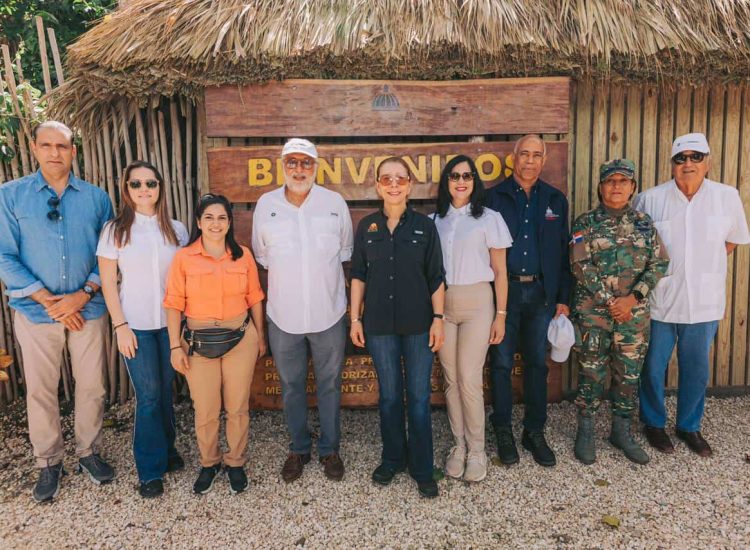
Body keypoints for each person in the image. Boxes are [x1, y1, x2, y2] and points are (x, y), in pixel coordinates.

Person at [0, 121, 115, 502]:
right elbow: (4, 255)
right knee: (41, 390)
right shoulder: (10, 196)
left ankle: (88, 451)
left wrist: (81, 296)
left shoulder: (97, 199)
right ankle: (48, 461)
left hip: (88, 308)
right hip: (36, 313)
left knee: (93, 385)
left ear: (73, 151)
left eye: (62, 146)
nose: (54, 153)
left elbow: (110, 254)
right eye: (47, 145)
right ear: (34, 148)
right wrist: (50, 301)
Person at [634, 133, 750, 457]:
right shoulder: (649, 199)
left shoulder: (726, 197)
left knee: (696, 369)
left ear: (708, 162)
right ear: (672, 164)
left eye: (696, 156)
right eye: (680, 158)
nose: (688, 163)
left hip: (704, 303)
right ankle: (654, 423)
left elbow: (731, 242)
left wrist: (702, 266)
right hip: (660, 303)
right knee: (653, 368)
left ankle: (689, 426)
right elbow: (639, 248)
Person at [252, 138, 352, 483]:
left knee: (330, 383)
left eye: (305, 162)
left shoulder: (334, 203)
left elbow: (344, 251)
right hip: (283, 316)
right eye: (292, 162)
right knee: (291, 385)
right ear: (282, 165)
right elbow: (262, 256)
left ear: (315, 166)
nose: (299, 169)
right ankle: (298, 447)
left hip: (329, 314)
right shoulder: (266, 205)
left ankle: (330, 449)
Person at [350, 156, 446, 498]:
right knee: (390, 397)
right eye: (386, 179)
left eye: (400, 179)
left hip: (420, 325)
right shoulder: (366, 227)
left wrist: (438, 319)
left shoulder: (425, 227)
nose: (393, 184)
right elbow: (358, 275)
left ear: (410, 185)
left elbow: (436, 276)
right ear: (377, 185)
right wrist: (355, 318)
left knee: (419, 398)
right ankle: (392, 458)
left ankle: (422, 467)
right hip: (378, 326)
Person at [97, 160, 189, 498]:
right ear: (126, 188)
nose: (144, 189)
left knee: (166, 391)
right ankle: (150, 469)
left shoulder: (176, 230)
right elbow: (108, 283)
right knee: (148, 395)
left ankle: (168, 450)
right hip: (134, 325)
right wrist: (120, 325)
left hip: (170, 326)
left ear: (160, 187)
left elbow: (184, 280)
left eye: (150, 183)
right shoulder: (114, 230)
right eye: (136, 184)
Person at [164, 194, 265, 495]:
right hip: (197, 341)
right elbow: (173, 304)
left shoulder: (242, 255)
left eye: (221, 217)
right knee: (205, 409)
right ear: (198, 222)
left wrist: (260, 336)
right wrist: (174, 346)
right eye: (208, 217)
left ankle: (236, 462)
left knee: (237, 407)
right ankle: (209, 462)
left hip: (240, 337)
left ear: (229, 222)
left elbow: (255, 297)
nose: (215, 223)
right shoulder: (184, 258)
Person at [570, 159, 669, 465]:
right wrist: (609, 300)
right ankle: (585, 431)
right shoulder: (584, 223)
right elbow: (579, 264)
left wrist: (632, 298)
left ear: (632, 188)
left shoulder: (644, 224)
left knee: (628, 375)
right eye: (610, 181)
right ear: (600, 187)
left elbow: (659, 264)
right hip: (594, 315)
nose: (616, 186)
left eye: (623, 181)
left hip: (632, 318)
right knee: (592, 373)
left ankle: (621, 431)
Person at [484, 134, 572, 467]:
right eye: (525, 154)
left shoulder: (555, 199)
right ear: (514, 157)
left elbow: (563, 250)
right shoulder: (493, 198)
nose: (530, 161)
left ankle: (534, 430)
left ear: (544, 160)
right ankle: (503, 428)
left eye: (537, 155)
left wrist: (563, 297)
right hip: (502, 294)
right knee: (502, 363)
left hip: (540, 294)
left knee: (537, 364)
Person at [432, 155, 512, 482]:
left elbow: (500, 272)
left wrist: (501, 315)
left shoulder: (489, 218)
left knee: (469, 377)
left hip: (479, 301)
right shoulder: (435, 220)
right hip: (444, 303)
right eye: (454, 176)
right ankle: (459, 445)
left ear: (474, 181)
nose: (461, 181)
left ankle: (478, 449)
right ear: (446, 182)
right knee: (450, 378)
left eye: (467, 175)